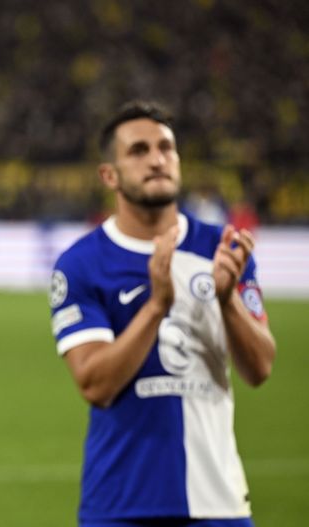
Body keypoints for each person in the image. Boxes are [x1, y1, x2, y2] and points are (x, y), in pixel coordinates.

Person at [49, 100, 276, 527]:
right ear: (109, 175)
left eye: (166, 148)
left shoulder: (224, 247)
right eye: (138, 150)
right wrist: (156, 306)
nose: (157, 159)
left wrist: (227, 302)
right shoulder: (81, 264)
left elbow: (260, 367)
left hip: (219, 502)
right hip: (120, 504)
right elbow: (95, 383)